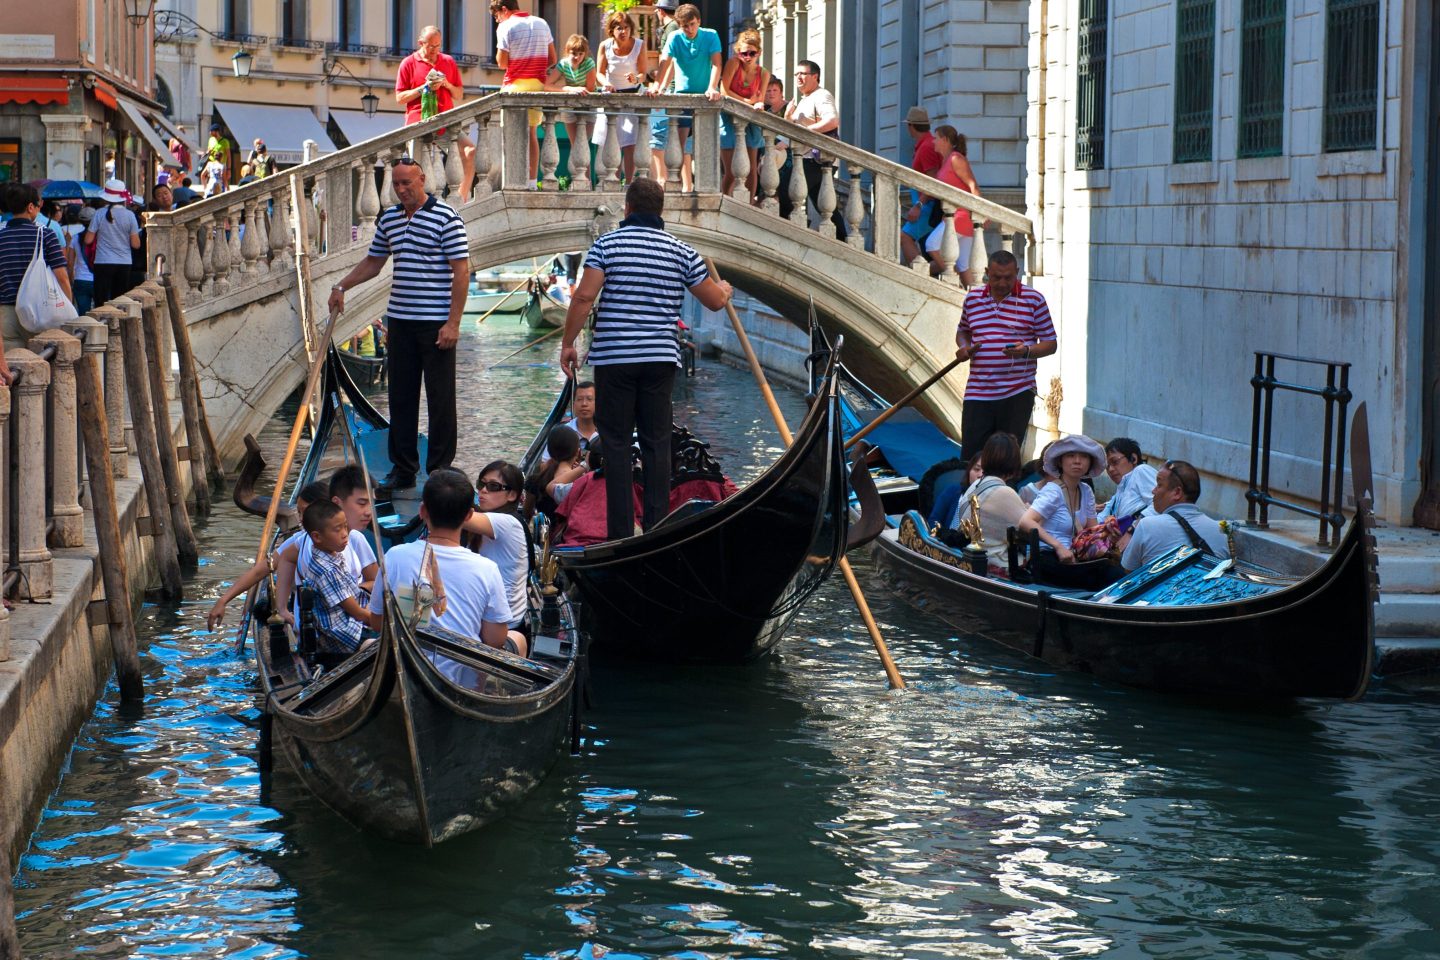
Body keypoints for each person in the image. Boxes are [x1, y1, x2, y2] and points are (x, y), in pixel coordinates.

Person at [559, 178, 733, 540]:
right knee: (657, 443)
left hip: (615, 358)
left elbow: (583, 298)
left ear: (627, 208)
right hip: (659, 360)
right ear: (661, 210)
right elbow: (715, 301)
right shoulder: (682, 251)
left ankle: (621, 532)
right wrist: (726, 289)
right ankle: (656, 527)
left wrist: (569, 343)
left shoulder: (606, 245)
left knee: (618, 445)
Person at [327, 158, 469, 496]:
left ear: (422, 179)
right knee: (401, 398)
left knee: (440, 399)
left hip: (436, 324)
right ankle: (403, 469)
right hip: (401, 321)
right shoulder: (389, 218)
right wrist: (341, 286)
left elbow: (462, 271)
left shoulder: (447, 218)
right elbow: (374, 262)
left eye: (408, 183)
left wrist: (453, 323)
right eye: (397, 185)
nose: (402, 190)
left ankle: (439, 470)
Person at [367, 469, 524, 655]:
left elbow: (377, 622)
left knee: (368, 643)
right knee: (518, 638)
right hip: (465, 673)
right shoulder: (487, 569)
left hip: (409, 663)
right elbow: (495, 640)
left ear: (423, 511)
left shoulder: (394, 556)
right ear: (468, 515)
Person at [954, 249, 1056, 459]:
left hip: (1017, 390)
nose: (1002, 283)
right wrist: (964, 348)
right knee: (971, 456)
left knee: (1006, 458)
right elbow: (963, 330)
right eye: (996, 277)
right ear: (986, 273)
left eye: (1008, 278)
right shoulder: (973, 298)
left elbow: (1050, 343)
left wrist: (1026, 351)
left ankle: (1004, 492)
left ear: (1017, 273)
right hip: (978, 390)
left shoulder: (1034, 299)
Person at [206, 481, 329, 631]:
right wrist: (223, 600)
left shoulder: (351, 538)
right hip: (309, 627)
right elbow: (260, 570)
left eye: (305, 512)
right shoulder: (298, 542)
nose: (301, 519)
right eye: (299, 513)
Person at [275, 465, 379, 626]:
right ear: (337, 502)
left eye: (372, 503)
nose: (369, 512)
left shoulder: (355, 538)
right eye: (362, 503)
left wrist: (358, 590)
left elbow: (377, 581)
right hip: (335, 635)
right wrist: (281, 608)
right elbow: (286, 557)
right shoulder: (317, 548)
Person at [396, 25, 477, 203]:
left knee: (470, 151)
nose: (434, 51)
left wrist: (446, 84)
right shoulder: (408, 63)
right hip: (418, 121)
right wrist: (422, 88)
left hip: (445, 121)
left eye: (438, 46)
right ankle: (418, 207)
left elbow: (459, 94)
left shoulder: (447, 61)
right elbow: (400, 98)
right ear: (420, 43)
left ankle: (460, 200)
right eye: (431, 46)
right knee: (416, 171)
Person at [1018, 434, 1111, 589]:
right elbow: (1025, 521)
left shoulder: (1086, 490)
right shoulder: (1053, 490)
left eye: (1084, 456)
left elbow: (1092, 531)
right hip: (1046, 556)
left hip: (1074, 555)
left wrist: (1110, 532)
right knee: (1095, 578)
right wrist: (1059, 547)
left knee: (1112, 572)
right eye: (1071, 456)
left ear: (1089, 463)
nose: (1077, 461)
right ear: (1061, 461)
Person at [0, 183, 73, 374]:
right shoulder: (45, 235)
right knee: (43, 365)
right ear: (30, 207)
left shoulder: (1, 237)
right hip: (41, 311)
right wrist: (68, 306)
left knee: (12, 368)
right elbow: (62, 276)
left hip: (6, 313)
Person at [649, 4, 722, 193]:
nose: (689, 29)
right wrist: (658, 85)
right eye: (684, 26)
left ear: (698, 21)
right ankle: (680, 185)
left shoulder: (711, 35)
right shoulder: (674, 37)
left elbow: (716, 63)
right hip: (681, 97)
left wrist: (712, 87)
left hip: (705, 98)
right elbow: (665, 61)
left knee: (706, 143)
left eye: (692, 24)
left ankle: (706, 187)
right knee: (679, 144)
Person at [1119, 460, 1230, 571]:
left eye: (1159, 485)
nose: (1153, 491)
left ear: (1177, 493)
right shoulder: (1221, 532)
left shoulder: (1147, 525)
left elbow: (1129, 574)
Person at [463, 460, 531, 642]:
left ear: (512, 495)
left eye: (493, 486)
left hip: (505, 627)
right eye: (481, 484)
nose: (483, 491)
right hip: (484, 617)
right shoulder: (487, 521)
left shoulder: (507, 523)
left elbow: (451, 513)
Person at [491, 0, 556, 186]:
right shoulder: (542, 23)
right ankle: (532, 182)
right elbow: (552, 58)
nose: (497, 21)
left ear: (504, 9)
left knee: (509, 136)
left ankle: (512, 181)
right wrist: (535, 66)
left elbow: (502, 63)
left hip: (515, 86)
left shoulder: (505, 26)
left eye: (496, 16)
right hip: (537, 85)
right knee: (532, 135)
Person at [785, 60, 847, 240]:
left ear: (815, 76)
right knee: (826, 207)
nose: (798, 77)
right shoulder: (804, 100)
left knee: (788, 192)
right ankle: (843, 240)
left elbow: (832, 120)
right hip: (807, 158)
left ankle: (795, 234)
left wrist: (807, 132)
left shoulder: (821, 95)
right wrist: (789, 117)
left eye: (803, 74)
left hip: (816, 159)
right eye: (796, 74)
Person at [299, 500, 370, 654]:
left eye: (345, 526)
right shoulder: (327, 571)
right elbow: (357, 613)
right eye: (338, 529)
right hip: (344, 635)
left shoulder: (334, 556)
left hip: (352, 623)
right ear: (317, 537)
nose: (345, 534)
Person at [948, 432, 1027, 570]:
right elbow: (1030, 530)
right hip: (998, 563)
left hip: (972, 556)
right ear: (1013, 462)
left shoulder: (976, 485)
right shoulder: (1004, 492)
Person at [920, 125, 981, 283]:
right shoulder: (946, 160)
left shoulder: (955, 159)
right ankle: (976, 300)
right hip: (954, 216)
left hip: (961, 216)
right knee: (964, 265)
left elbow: (972, 185)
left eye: (936, 138)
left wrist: (982, 213)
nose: (933, 142)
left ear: (945, 140)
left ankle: (953, 284)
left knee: (932, 244)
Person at [591, 11, 646, 183]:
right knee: (609, 140)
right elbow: (599, 74)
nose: (623, 31)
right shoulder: (604, 46)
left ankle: (629, 183)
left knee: (630, 143)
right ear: (611, 30)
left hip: (632, 96)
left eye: (626, 27)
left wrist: (636, 78)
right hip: (612, 97)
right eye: (619, 28)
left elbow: (644, 73)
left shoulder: (639, 45)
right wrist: (605, 83)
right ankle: (610, 181)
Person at [718, 29, 769, 198]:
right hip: (728, 117)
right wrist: (748, 102)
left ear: (759, 53)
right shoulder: (733, 64)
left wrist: (757, 102)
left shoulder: (763, 73)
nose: (747, 57)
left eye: (752, 53)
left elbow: (760, 98)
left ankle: (750, 203)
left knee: (751, 168)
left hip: (751, 120)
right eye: (743, 53)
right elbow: (724, 91)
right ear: (737, 52)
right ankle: (724, 199)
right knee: (731, 170)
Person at [85, 179, 140, 306]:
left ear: (106, 197)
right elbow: (135, 244)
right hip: (124, 262)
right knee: (119, 301)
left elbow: (88, 240)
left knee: (101, 300)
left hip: (102, 262)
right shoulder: (130, 215)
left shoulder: (99, 214)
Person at [901, 105, 944, 266]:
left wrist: (919, 205)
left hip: (928, 205)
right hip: (926, 204)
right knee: (928, 248)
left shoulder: (926, 147)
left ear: (911, 126)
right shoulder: (926, 144)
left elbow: (933, 181)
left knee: (905, 237)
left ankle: (918, 275)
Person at [646, 0, 682, 181]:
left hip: (670, 89)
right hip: (672, 86)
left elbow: (670, 61)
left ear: (659, 11)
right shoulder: (675, 27)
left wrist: (659, 85)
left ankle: (661, 181)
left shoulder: (671, 28)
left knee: (657, 136)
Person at [549, 34, 597, 153]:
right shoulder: (563, 64)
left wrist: (578, 89)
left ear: (585, 54)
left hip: (589, 106)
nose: (577, 57)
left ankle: (584, 172)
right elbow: (547, 85)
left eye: (581, 53)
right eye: (574, 53)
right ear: (567, 52)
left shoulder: (589, 63)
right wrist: (568, 89)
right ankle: (576, 172)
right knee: (575, 145)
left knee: (582, 145)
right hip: (569, 106)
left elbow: (590, 88)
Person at [527, 426, 588, 517]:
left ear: (549, 451)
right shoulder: (583, 482)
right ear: (578, 452)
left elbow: (527, 513)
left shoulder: (534, 481)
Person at [1098, 438, 1158, 524]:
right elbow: (1100, 519)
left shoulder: (1141, 471)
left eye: (1115, 461)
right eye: (1107, 466)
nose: (1110, 469)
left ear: (1133, 458)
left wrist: (1132, 527)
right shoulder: (1117, 495)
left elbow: (1159, 504)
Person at [763, 77, 794, 217]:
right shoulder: (766, 111)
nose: (771, 93)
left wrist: (786, 142)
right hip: (771, 151)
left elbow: (798, 129)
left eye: (775, 90)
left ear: (781, 92)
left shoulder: (789, 108)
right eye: (768, 90)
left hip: (788, 152)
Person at [63, 205, 95, 314]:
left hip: (80, 279)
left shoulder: (75, 238)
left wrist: (71, 279)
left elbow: (70, 263)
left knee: (83, 314)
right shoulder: (100, 237)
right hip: (98, 279)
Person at [565, 379, 599, 450]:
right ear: (574, 404)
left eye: (589, 399)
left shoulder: (608, 433)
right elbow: (545, 461)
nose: (584, 404)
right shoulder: (563, 433)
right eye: (579, 399)